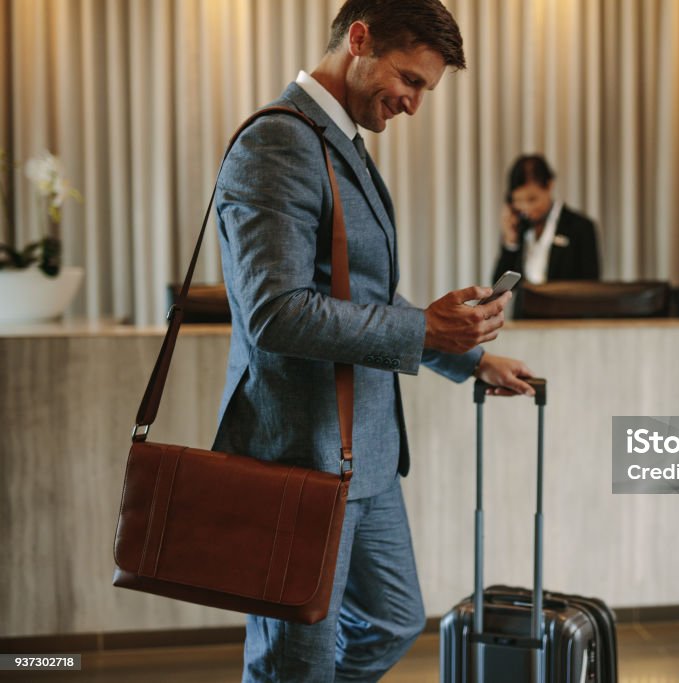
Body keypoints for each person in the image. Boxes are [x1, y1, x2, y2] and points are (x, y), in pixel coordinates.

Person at [212, 1, 533, 680]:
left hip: (367, 458)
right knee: (294, 660)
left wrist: (469, 358)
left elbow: (362, 298)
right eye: (410, 79)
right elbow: (276, 312)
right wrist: (423, 328)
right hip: (300, 455)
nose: (414, 103)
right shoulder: (276, 141)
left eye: (425, 89)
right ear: (358, 39)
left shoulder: (341, 145)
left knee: (389, 622)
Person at [492, 154, 601, 288]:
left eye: (532, 199)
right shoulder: (518, 227)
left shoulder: (580, 227)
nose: (526, 208)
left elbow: (591, 288)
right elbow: (500, 287)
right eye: (519, 201)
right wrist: (510, 242)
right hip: (525, 309)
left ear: (549, 185)